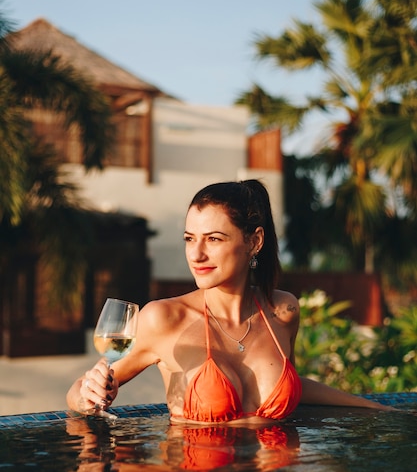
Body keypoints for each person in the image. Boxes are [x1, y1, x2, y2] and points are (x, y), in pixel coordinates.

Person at [66, 179, 393, 422]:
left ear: (254, 241)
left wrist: (372, 407)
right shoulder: (165, 318)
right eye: (190, 239)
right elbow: (81, 391)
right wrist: (88, 395)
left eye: (214, 239)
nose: (196, 254)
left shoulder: (282, 311)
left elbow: (291, 383)